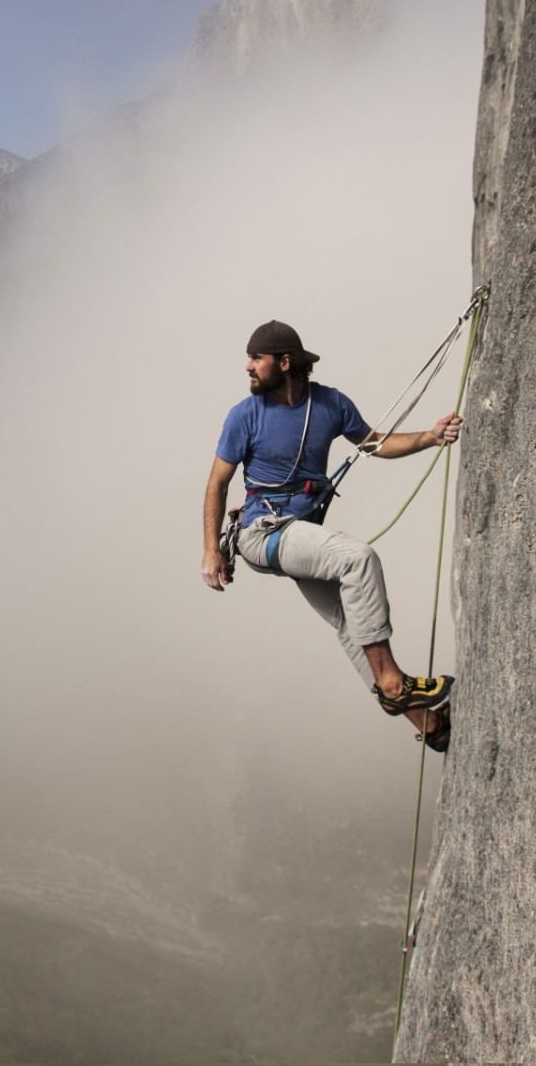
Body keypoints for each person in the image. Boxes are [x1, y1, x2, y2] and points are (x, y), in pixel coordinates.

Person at [201, 319, 461, 750]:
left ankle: (429, 726)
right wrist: (212, 551)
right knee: (356, 558)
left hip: (299, 534)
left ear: (284, 363)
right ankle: (394, 682)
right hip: (261, 533)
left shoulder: (329, 404)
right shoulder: (244, 416)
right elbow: (216, 485)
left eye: (255, 358)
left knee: (348, 621)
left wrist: (431, 438)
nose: (247, 366)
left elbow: (374, 443)